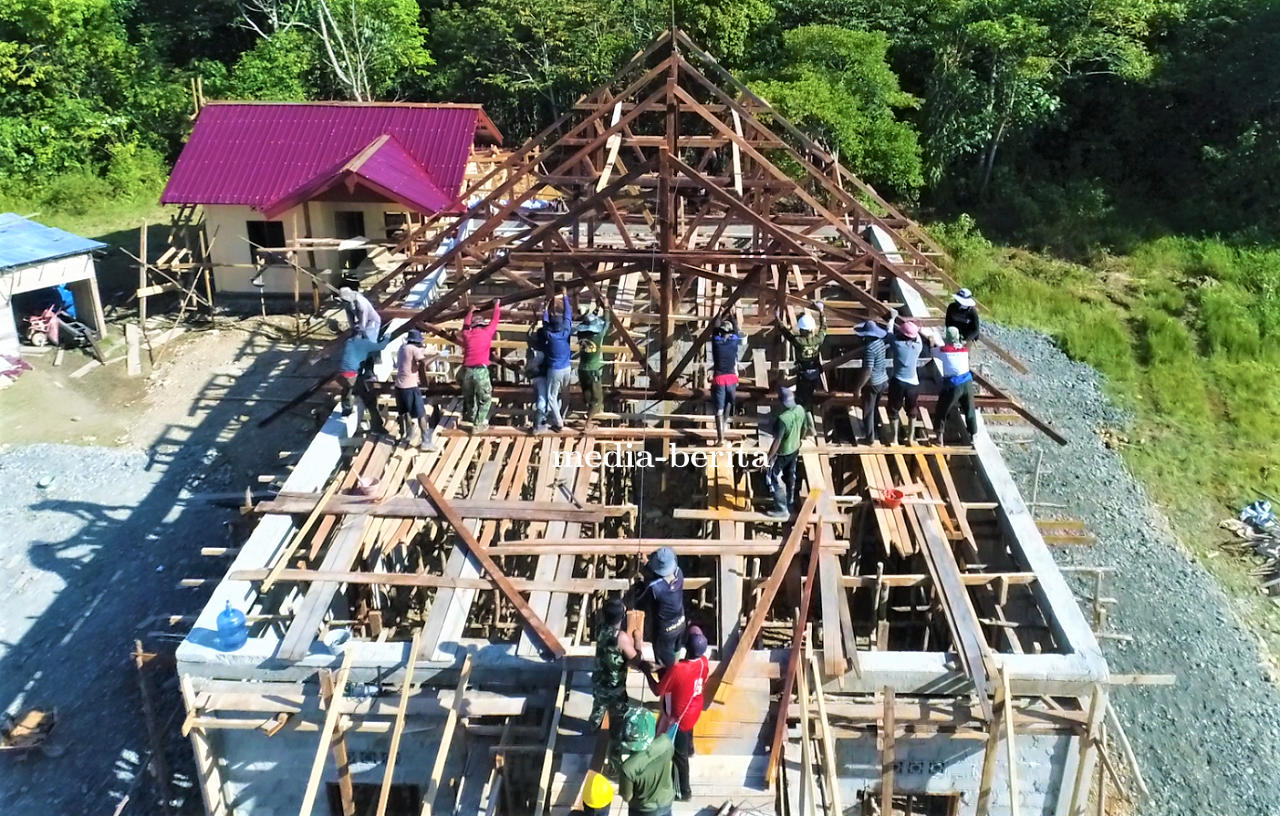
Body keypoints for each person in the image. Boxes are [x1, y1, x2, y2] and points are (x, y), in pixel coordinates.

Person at [647, 626, 709, 803]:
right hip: (695, 708)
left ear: (686, 648)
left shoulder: (679, 669)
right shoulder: (704, 662)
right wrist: (661, 670)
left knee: (678, 757)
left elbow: (658, 690)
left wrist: (646, 672)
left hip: (680, 718)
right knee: (689, 734)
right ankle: (691, 749)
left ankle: (684, 792)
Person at [590, 599, 644, 735]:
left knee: (598, 707)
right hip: (615, 687)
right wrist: (638, 641)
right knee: (619, 715)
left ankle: (593, 729)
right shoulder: (621, 638)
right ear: (622, 616)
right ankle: (615, 736)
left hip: (598, 681)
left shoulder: (599, 627)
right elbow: (637, 662)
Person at [628, 548, 686, 672]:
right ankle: (675, 667)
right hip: (680, 622)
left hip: (664, 631)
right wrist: (648, 564)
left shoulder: (655, 588)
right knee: (676, 651)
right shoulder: (678, 573)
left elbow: (640, 602)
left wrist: (639, 584)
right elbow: (661, 576)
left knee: (664, 664)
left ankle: (668, 682)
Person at [776, 302, 827, 436]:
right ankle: (809, 425)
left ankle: (809, 427)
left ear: (802, 330)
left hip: (803, 376)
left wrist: (778, 320)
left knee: (801, 401)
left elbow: (787, 334)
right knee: (808, 399)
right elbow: (824, 328)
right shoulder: (818, 339)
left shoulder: (799, 342)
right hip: (815, 374)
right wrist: (821, 312)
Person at [614, 706, 676, 816]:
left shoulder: (628, 768)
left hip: (643, 810)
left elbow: (627, 797)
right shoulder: (666, 742)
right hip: (666, 802)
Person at [885, 310, 928, 445]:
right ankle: (910, 438)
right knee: (912, 410)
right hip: (913, 384)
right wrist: (916, 326)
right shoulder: (918, 346)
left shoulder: (897, 345)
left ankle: (894, 438)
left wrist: (892, 319)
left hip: (898, 381)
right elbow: (918, 335)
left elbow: (889, 333)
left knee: (893, 409)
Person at [458, 300, 501, 432]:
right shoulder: (487, 333)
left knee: (470, 398)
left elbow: (465, 325)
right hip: (481, 371)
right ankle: (478, 425)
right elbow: (495, 320)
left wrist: (470, 311)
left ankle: (472, 418)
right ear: (482, 325)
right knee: (485, 399)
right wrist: (496, 306)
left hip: (467, 372)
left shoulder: (467, 335)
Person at [765, 386, 808, 518]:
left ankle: (781, 508)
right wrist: (799, 440)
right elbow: (805, 428)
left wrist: (767, 458)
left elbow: (777, 441)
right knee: (790, 475)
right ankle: (790, 501)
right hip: (795, 448)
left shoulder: (783, 419)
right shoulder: (801, 409)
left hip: (783, 452)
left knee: (772, 477)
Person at [394, 329, 440, 449]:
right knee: (421, 414)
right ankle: (426, 441)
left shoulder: (402, 348)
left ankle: (409, 434)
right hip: (410, 386)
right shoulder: (414, 350)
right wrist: (437, 356)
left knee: (405, 412)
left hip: (399, 385)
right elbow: (423, 363)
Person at [933, 326, 978, 444]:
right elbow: (967, 345)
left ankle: (939, 438)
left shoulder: (943, 351)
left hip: (953, 385)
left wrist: (931, 342)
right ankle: (972, 434)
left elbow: (933, 351)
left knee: (941, 410)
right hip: (967, 382)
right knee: (969, 409)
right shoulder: (964, 350)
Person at [537, 290, 573, 432]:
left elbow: (544, 322)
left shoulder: (549, 335)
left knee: (551, 397)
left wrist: (545, 309)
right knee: (565, 395)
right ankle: (563, 416)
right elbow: (568, 316)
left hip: (555, 370)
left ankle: (559, 424)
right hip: (567, 368)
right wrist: (565, 296)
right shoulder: (565, 332)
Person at [850, 319, 889, 444]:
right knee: (875, 406)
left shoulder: (869, 349)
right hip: (883, 380)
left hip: (873, 383)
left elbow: (867, 370)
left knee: (868, 410)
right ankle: (875, 429)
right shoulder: (881, 342)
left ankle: (869, 438)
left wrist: (858, 388)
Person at [338, 331, 389, 427]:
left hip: (341, 373)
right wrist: (386, 338)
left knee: (347, 388)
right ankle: (377, 426)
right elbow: (381, 346)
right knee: (368, 398)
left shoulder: (349, 341)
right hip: (352, 374)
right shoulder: (366, 343)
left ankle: (346, 410)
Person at [709, 314, 741, 446]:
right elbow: (737, 330)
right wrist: (733, 318)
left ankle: (721, 439)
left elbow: (714, 329)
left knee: (719, 410)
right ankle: (725, 424)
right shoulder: (734, 342)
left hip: (720, 380)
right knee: (729, 402)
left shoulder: (717, 343)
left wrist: (719, 315)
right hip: (732, 379)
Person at [577, 300, 610, 419]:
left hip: (582, 370)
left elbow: (585, 321)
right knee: (597, 399)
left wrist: (596, 309)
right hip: (593, 371)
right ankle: (588, 423)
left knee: (587, 393)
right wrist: (606, 307)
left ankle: (587, 412)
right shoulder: (597, 336)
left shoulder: (580, 335)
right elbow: (607, 323)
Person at [525, 323, 549, 429]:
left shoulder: (533, 346)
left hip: (534, 377)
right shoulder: (548, 348)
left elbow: (528, 335)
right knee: (543, 398)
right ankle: (538, 423)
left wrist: (533, 324)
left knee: (541, 397)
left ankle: (540, 420)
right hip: (543, 377)